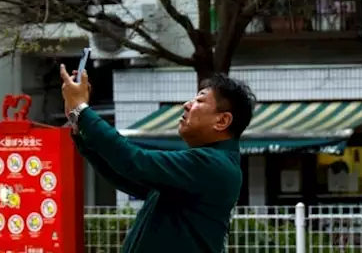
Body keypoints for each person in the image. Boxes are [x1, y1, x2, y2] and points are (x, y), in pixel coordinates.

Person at [60, 65, 255, 253]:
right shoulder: (208, 165)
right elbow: (126, 174)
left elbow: (134, 160)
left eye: (200, 101)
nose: (187, 105)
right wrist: (79, 123)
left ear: (222, 121)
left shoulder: (213, 165)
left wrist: (82, 110)